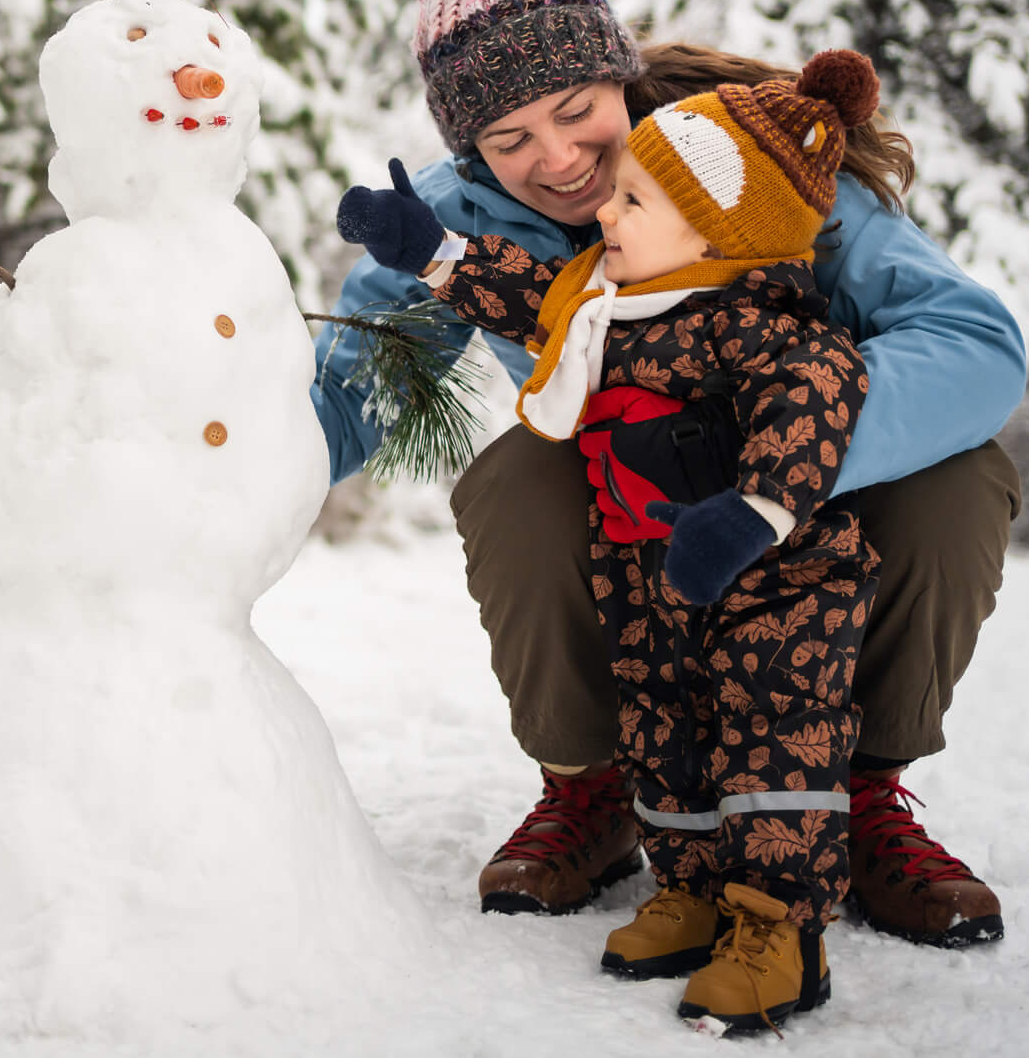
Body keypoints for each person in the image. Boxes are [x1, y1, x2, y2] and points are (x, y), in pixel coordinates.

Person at [310, 0, 1023, 947]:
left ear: (618, 76)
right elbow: (353, 391)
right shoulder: (456, 221)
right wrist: (205, 468)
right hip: (622, 505)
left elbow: (971, 344)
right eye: (507, 141)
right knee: (511, 475)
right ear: (469, 149)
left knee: (961, 473)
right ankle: (588, 787)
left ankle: (862, 792)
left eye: (575, 111)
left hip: (802, 497)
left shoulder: (744, 162)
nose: (553, 160)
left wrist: (773, 469)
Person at [340, 50, 884, 1031]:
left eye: (632, 201)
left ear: (714, 229)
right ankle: (687, 886)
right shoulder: (612, 307)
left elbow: (816, 400)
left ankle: (775, 932)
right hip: (645, 570)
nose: (604, 214)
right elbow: (521, 302)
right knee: (659, 729)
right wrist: (426, 251)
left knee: (771, 738)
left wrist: (753, 510)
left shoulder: (757, 323)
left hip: (770, 581)